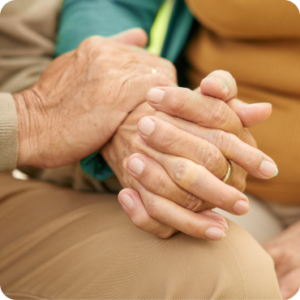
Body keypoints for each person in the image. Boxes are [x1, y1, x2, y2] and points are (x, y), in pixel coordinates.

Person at [0, 0, 283, 299]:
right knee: (229, 266)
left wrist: (122, 104)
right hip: (248, 199)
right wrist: (29, 120)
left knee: (221, 268)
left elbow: (17, 57)